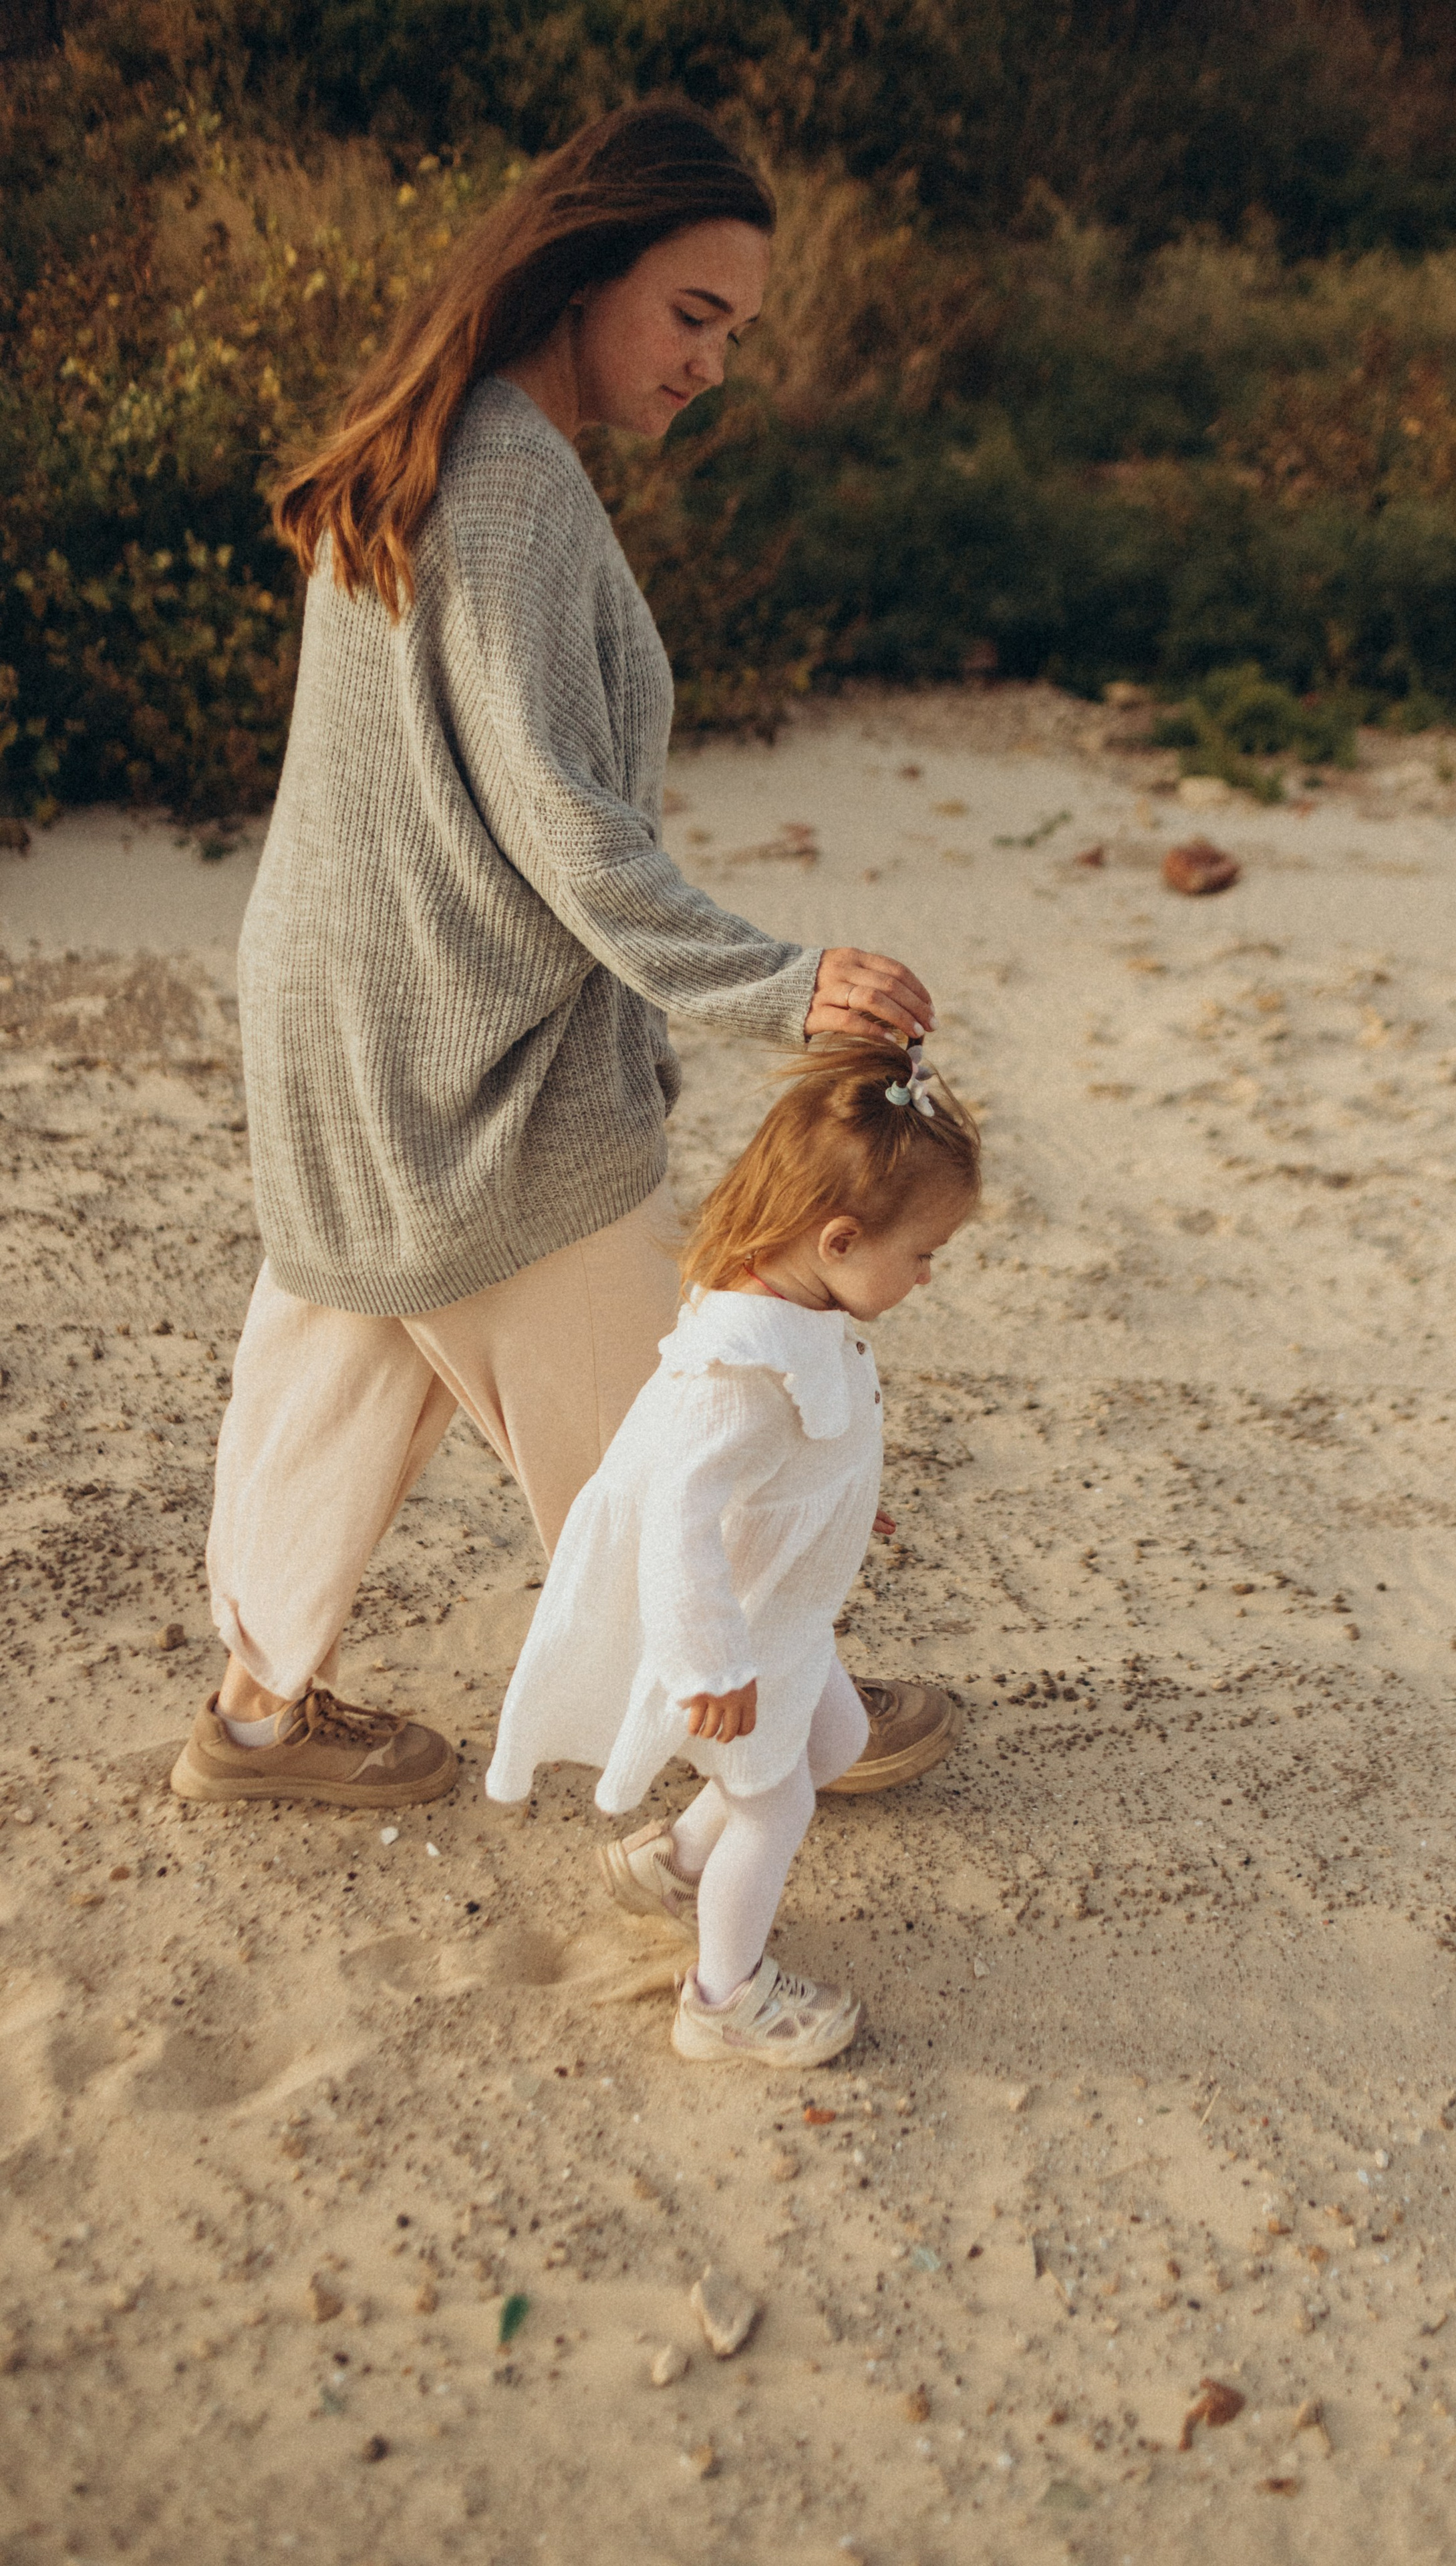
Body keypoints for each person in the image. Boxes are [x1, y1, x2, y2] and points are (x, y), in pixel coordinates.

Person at [169, 100, 960, 1813]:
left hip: (343, 1012)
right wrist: (780, 983)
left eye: (735, 333)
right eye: (694, 315)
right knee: (670, 1392)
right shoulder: (511, 482)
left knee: (345, 1341)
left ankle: (252, 1718)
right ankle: (766, 1698)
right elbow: (563, 823)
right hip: (463, 1039)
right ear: (583, 268)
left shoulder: (440, 440)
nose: (713, 365)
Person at [486, 1036, 981, 2068]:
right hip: (733, 1631)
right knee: (780, 1801)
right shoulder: (739, 1370)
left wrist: (842, 1494)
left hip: (786, 1616)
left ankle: (675, 1861)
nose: (928, 1277)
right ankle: (724, 1998)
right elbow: (676, 1509)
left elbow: (809, 1435)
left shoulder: (792, 1298)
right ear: (840, 1238)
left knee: (837, 1746)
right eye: (923, 1254)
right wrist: (708, 1664)